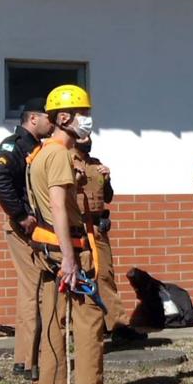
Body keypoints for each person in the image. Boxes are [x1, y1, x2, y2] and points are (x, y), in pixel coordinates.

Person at [28, 84, 124, 384]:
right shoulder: (57, 155)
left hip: (48, 245)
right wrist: (71, 258)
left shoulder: (40, 153)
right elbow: (57, 207)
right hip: (66, 245)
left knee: (55, 317)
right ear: (64, 117)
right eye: (83, 114)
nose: (87, 120)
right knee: (88, 318)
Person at [0, 97, 52, 378]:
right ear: (33, 118)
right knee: (34, 289)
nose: (53, 122)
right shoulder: (13, 145)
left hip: (36, 229)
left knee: (34, 290)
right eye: (49, 117)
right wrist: (21, 215)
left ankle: (27, 357)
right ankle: (28, 360)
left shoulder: (39, 147)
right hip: (23, 229)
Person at [73, 135, 144, 343]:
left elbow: (108, 197)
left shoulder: (95, 164)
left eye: (89, 136)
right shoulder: (66, 161)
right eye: (83, 136)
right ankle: (80, 326)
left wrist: (108, 178)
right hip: (77, 227)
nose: (87, 139)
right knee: (79, 278)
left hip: (97, 228)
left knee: (105, 276)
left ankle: (117, 325)